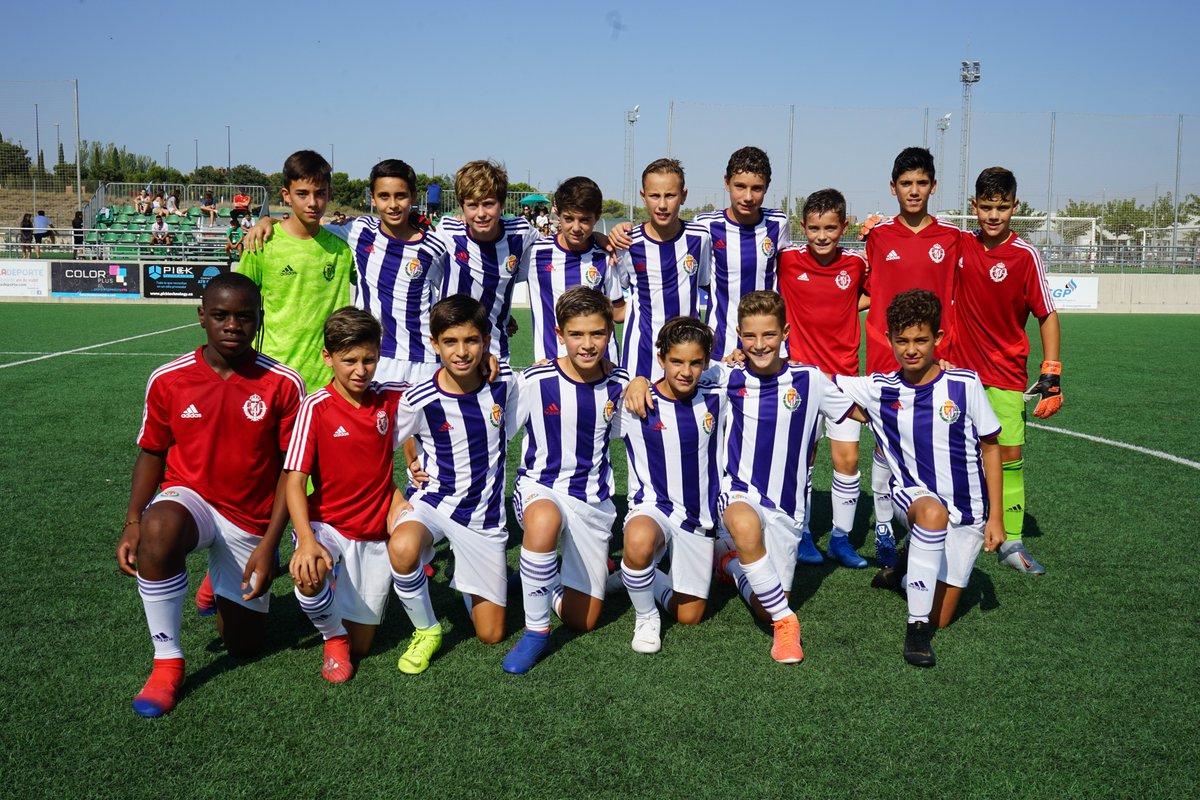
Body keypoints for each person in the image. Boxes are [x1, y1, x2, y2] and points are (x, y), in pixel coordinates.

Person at [115, 272, 305, 716]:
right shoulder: (169, 379)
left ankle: (217, 585)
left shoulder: (283, 383)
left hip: (250, 518)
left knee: (243, 645)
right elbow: (152, 452)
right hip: (190, 500)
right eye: (220, 315)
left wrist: (270, 543)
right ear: (202, 317)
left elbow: (290, 471)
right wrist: (132, 521)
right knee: (158, 529)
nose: (232, 325)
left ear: (259, 320)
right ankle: (167, 662)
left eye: (244, 316)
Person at [838, 289, 1005, 667]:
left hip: (968, 511)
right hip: (914, 498)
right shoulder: (879, 388)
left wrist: (997, 518)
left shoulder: (964, 384)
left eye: (921, 340)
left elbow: (991, 446)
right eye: (902, 341)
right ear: (889, 340)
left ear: (938, 339)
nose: (911, 349)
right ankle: (915, 630)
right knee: (931, 517)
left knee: (941, 618)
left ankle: (902, 566)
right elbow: (814, 380)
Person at [705, 291, 857, 663]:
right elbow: (678, 375)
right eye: (750, 337)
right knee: (743, 525)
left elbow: (860, 411)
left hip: (787, 509)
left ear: (785, 332)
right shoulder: (726, 375)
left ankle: (729, 565)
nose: (759, 345)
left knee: (764, 604)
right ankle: (788, 624)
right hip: (739, 492)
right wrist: (641, 382)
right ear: (739, 335)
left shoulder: (810, 380)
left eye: (769, 335)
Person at [386, 295, 521, 672]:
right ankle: (427, 630)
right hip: (433, 503)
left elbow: (554, 372)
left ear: (486, 340)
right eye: (450, 342)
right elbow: (380, 450)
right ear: (435, 344)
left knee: (491, 634)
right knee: (403, 545)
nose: (462, 352)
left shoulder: (505, 381)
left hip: (483, 519)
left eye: (472, 341)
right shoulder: (419, 398)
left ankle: (469, 577)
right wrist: (400, 486)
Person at [502, 288, 628, 673]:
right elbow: (497, 435)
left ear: (610, 332)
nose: (587, 345)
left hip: (592, 502)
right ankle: (536, 631)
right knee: (544, 521)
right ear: (560, 334)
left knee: (583, 620)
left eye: (597, 334)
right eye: (577, 334)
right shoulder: (536, 380)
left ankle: (546, 582)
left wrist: (639, 382)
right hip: (541, 487)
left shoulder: (621, 384)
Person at [244, 159, 451, 386]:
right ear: (372, 198)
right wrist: (266, 221)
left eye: (400, 196)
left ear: (413, 196)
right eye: (384, 196)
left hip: (425, 360)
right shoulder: (358, 232)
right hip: (375, 358)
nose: (393, 204)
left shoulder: (436, 246)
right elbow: (304, 225)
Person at [285, 307, 408, 683]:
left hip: (373, 533)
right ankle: (332, 635)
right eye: (349, 360)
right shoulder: (315, 407)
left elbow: (445, 383)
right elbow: (293, 481)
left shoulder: (389, 399)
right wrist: (306, 539)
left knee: (365, 646)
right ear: (328, 357)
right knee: (310, 573)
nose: (360, 370)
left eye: (369, 359)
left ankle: (342, 612)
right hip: (329, 525)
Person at [952, 166, 1062, 575]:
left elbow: (1046, 314)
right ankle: (958, 524)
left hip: (1006, 374)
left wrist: (1051, 372)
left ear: (1015, 206)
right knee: (958, 456)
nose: (993, 215)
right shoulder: (960, 244)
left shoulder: (1024, 255)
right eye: (985, 207)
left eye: (1001, 207)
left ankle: (1011, 541)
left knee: (1010, 454)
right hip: (960, 375)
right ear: (973, 206)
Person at [862, 147, 962, 563]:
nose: (914, 191)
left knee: (933, 441)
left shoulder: (953, 238)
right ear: (893, 188)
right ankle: (884, 524)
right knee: (886, 444)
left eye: (922, 183)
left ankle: (935, 522)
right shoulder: (878, 237)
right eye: (906, 183)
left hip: (938, 359)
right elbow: (863, 290)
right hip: (887, 355)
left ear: (933, 187)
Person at [617, 317, 725, 654]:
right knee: (638, 539)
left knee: (690, 615)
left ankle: (633, 577)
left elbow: (752, 370)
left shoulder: (718, 396)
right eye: (676, 361)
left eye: (695, 362)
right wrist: (636, 380)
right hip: (653, 508)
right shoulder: (636, 402)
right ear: (661, 358)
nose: (685, 371)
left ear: (706, 363)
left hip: (698, 517)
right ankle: (646, 615)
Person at [774, 189, 871, 567]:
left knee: (847, 461)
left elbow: (871, 295)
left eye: (830, 227)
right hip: (803, 378)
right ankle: (802, 534)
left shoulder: (856, 265)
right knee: (803, 460)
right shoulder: (788, 260)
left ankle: (842, 540)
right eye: (814, 228)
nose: (822, 235)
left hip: (845, 378)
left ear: (843, 226)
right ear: (803, 227)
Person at [236, 149, 355, 393]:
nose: (312, 202)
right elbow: (237, 307)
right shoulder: (263, 244)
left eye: (320, 193)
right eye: (302, 194)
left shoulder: (343, 250)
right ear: (286, 195)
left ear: (329, 194)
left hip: (329, 382)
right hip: (273, 376)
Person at [616, 158, 712, 380]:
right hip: (640, 357)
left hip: (687, 356)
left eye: (670, 195)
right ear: (643, 197)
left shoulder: (699, 238)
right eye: (654, 195)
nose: (662, 204)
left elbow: (703, 281)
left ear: (684, 196)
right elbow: (615, 298)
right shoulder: (628, 243)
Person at [435, 160, 540, 363]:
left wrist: (599, 237)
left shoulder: (521, 233)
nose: (481, 213)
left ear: (501, 204)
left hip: (497, 353)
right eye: (472, 205)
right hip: (450, 355)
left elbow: (557, 246)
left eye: (489, 204)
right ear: (462, 207)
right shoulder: (447, 231)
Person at [522, 176, 626, 363]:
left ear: (597, 217)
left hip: (603, 368)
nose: (576, 228)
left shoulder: (605, 256)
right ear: (557, 213)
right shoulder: (535, 253)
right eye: (568, 218)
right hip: (550, 366)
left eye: (585, 220)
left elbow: (618, 313)